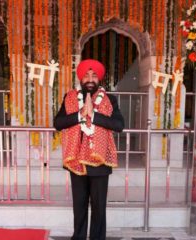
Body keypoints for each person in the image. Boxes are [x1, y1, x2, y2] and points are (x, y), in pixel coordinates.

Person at [54, 59, 124, 240]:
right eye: (86, 75)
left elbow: (118, 124)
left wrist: (93, 115)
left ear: (99, 78)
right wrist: (80, 115)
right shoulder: (69, 98)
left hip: (99, 161)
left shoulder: (110, 100)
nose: (90, 79)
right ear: (81, 78)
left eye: (94, 75)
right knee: (79, 206)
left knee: (99, 208)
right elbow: (58, 123)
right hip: (76, 161)